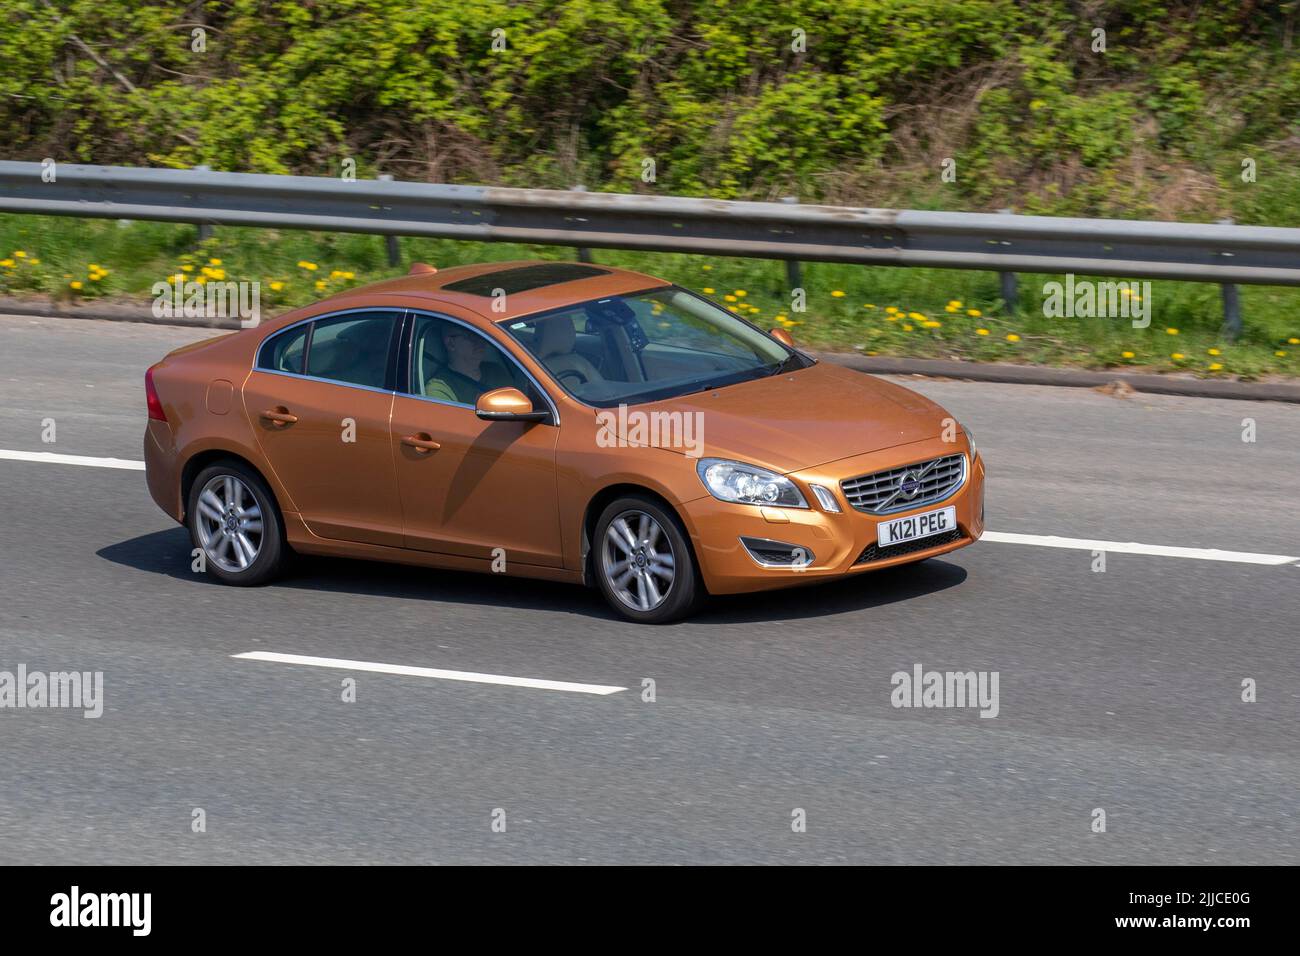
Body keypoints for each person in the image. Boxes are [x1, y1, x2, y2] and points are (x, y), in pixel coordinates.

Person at [425, 324, 509, 404]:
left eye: (481, 335)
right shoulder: (440, 389)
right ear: (451, 343)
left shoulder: (496, 371)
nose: (480, 341)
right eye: (471, 336)